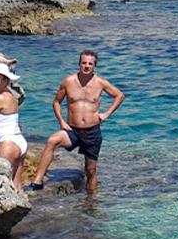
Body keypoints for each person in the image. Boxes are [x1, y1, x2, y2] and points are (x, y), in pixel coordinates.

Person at [26, 50, 125, 195]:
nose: (86, 66)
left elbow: (119, 95)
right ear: (79, 64)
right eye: (84, 63)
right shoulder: (69, 81)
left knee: (90, 170)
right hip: (73, 130)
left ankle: (92, 200)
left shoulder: (100, 82)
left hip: (92, 132)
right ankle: (38, 181)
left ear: (95, 66)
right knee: (52, 141)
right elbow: (56, 102)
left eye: (90, 64)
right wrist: (61, 122)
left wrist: (106, 114)